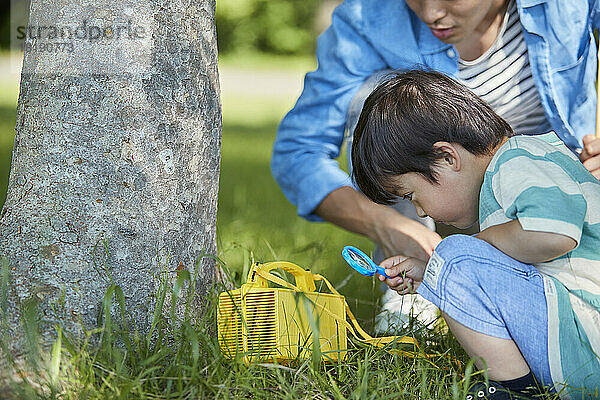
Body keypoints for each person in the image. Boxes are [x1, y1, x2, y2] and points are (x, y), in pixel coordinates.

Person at [271, 0, 600, 330]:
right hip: (450, 214)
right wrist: (386, 224)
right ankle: (416, 299)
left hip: (550, 211)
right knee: (381, 102)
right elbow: (299, 152)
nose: (430, 14)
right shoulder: (366, 17)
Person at [351, 69, 600, 399]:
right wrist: (432, 272)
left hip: (587, 340)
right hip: (576, 335)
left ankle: (512, 392)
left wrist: (460, 254)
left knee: (452, 255)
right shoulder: (519, 169)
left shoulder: (516, 158)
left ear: (447, 157)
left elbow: (553, 233)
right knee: (450, 260)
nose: (421, 212)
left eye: (412, 196)